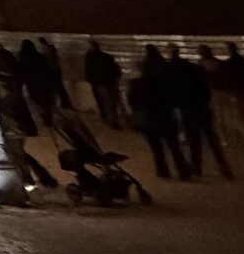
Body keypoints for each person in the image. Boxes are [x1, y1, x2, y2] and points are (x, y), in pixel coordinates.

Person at [171, 43, 232, 179]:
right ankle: (223, 166)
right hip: (203, 109)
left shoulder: (177, 78)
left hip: (189, 111)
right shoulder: (197, 70)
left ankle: (197, 167)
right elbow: (207, 90)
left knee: (195, 140)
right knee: (211, 137)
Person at [130, 44, 188, 180]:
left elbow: (133, 102)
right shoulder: (166, 81)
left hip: (149, 117)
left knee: (156, 148)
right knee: (174, 146)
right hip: (166, 116)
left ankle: (163, 170)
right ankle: (182, 170)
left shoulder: (139, 83)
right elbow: (175, 98)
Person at [81, 40, 124, 128]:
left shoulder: (89, 58)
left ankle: (110, 120)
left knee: (104, 101)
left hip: (100, 82)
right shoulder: (107, 56)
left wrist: (90, 80)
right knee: (112, 102)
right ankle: (114, 119)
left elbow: (88, 71)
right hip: (110, 81)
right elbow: (116, 69)